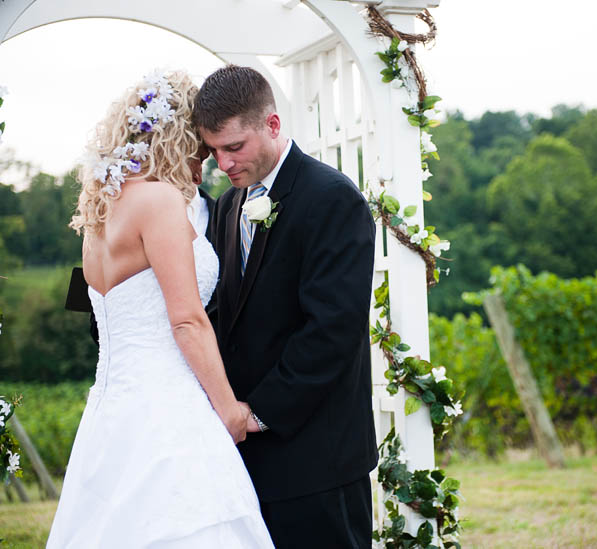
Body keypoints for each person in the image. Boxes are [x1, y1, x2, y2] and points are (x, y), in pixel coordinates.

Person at [47, 70, 274, 548]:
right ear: (179, 138)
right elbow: (188, 320)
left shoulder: (98, 209)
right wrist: (229, 410)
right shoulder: (160, 201)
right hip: (168, 410)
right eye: (200, 144)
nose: (207, 160)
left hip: (111, 411)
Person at [193, 65, 378, 548]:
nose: (224, 163)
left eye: (234, 147)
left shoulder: (333, 199)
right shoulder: (230, 205)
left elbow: (333, 330)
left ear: (272, 126)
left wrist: (258, 413)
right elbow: (223, 315)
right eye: (213, 151)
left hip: (318, 459)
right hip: (248, 463)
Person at [64, 145, 218, 344]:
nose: (198, 174)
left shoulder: (227, 214)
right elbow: (95, 314)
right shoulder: (109, 214)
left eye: (203, 160)